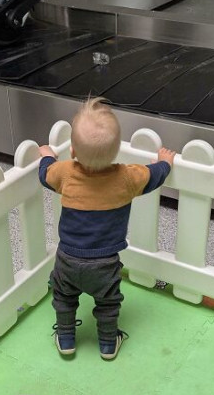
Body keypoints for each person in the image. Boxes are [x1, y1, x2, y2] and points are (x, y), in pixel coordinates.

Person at [38, 98, 176, 360]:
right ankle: (108, 343)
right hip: (105, 263)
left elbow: (45, 174)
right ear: (115, 152)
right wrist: (165, 163)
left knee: (64, 298)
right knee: (108, 303)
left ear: (73, 151)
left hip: (67, 258)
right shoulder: (127, 177)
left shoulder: (65, 172)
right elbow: (154, 175)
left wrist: (47, 156)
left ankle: (66, 339)